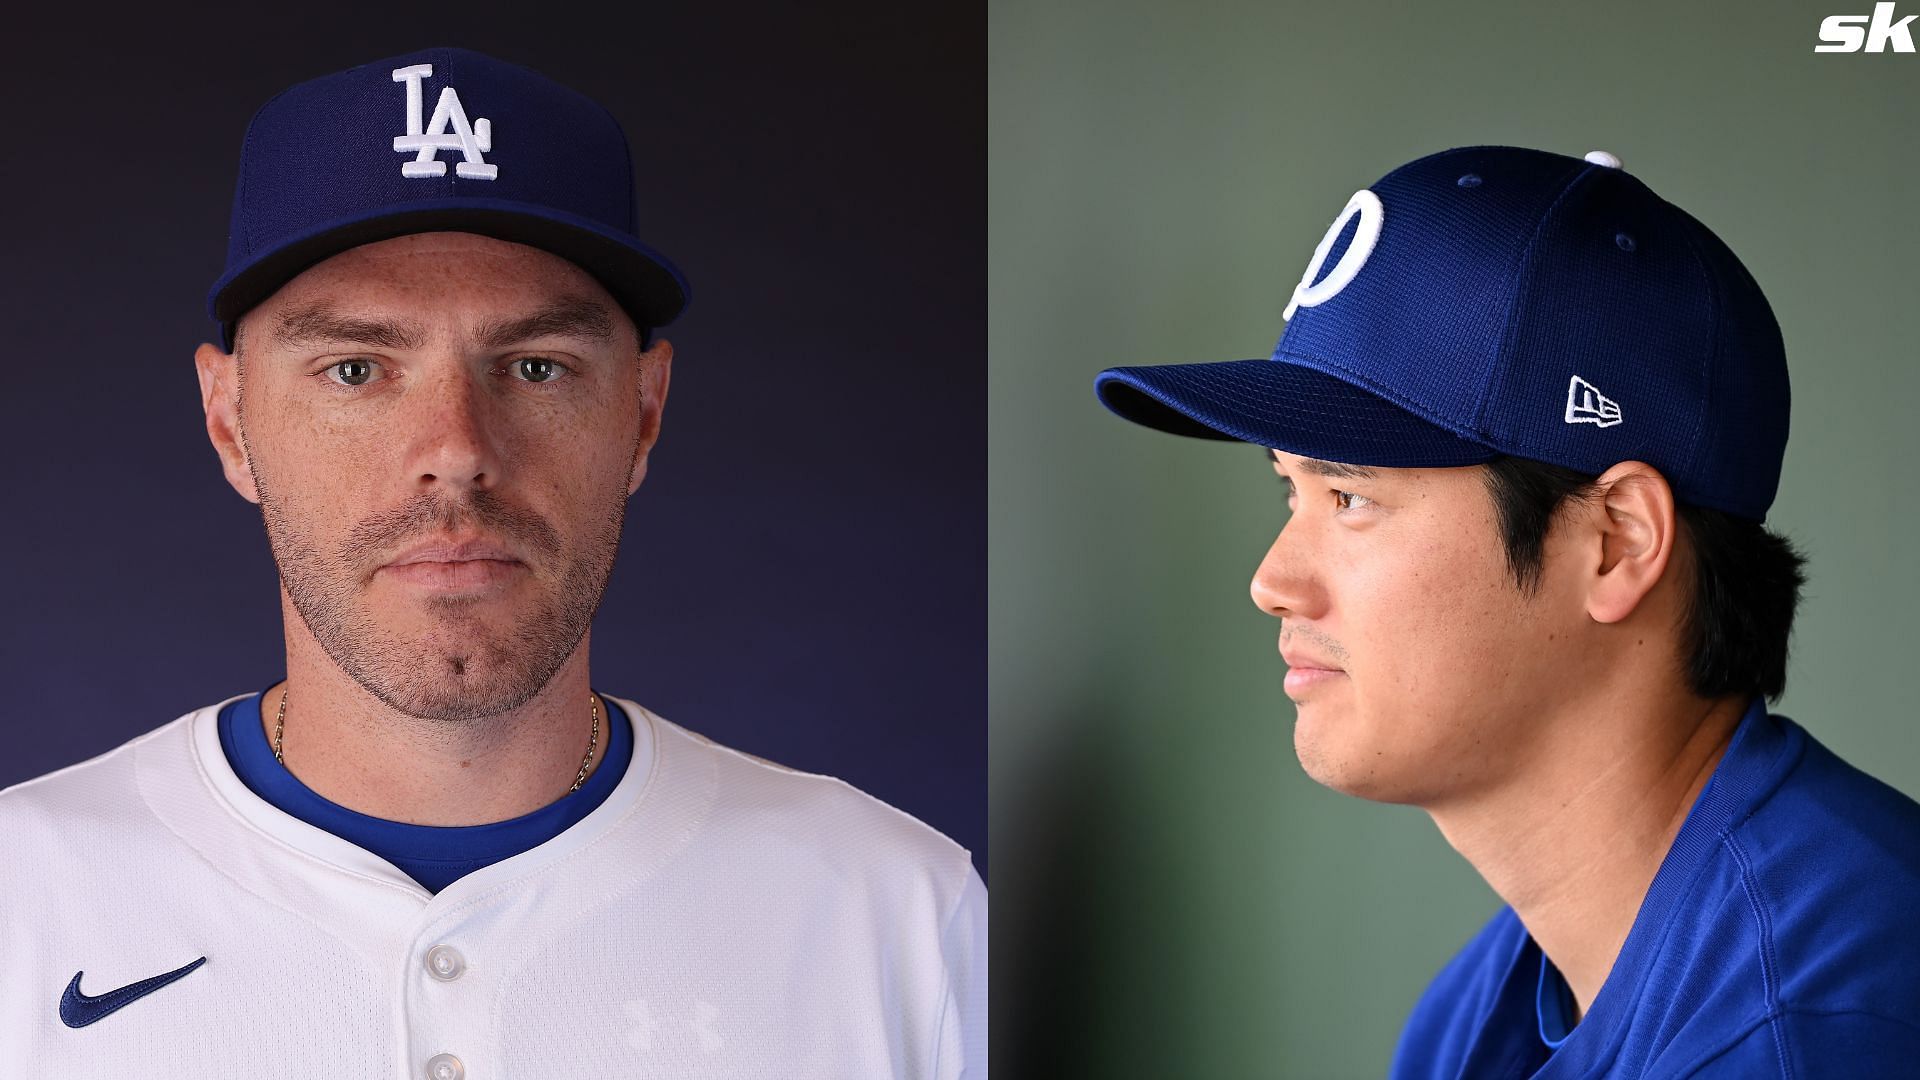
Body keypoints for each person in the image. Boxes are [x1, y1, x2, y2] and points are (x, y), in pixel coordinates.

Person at [0, 47, 985, 1079]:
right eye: (355, 369)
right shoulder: (27, 900)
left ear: (643, 414)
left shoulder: (895, 915)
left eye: (534, 366)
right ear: (230, 421)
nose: (457, 449)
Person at [1092, 145, 1920, 1076]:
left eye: (1350, 498)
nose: (1273, 580)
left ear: (1616, 543)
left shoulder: (1810, 1030)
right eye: (1292, 493)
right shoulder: (1476, 1017)